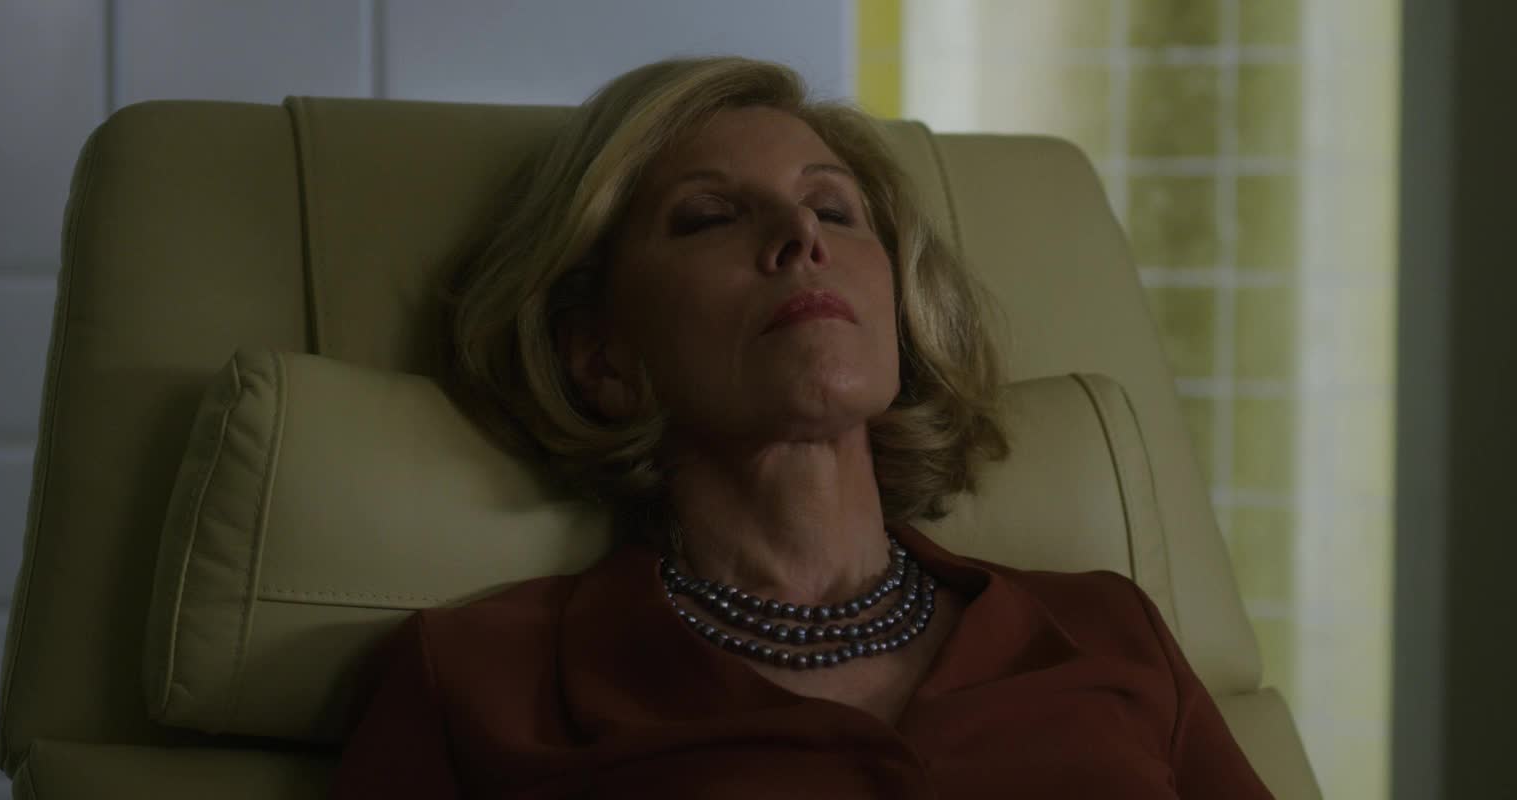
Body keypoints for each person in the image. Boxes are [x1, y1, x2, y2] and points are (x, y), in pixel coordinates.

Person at [330, 56, 1274, 799]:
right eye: (709, 217)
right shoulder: (481, 679)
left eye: (833, 208)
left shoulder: (1107, 631)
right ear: (601, 358)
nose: (802, 236)